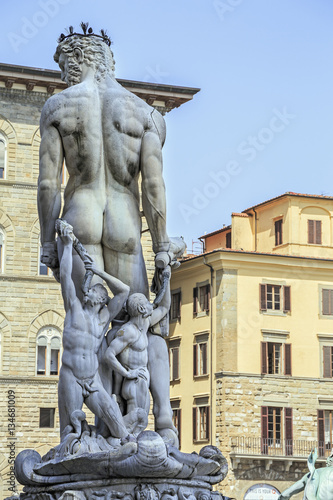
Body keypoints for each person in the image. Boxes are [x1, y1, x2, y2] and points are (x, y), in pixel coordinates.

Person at [37, 25, 175, 440]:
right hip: (125, 223)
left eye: (62, 67)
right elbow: (153, 187)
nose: (62, 75)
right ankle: (162, 424)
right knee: (142, 325)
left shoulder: (59, 106)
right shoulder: (146, 114)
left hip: (79, 220)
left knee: (89, 325)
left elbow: (47, 184)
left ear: (73, 61)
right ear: (108, 60)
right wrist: (163, 247)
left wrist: (48, 239)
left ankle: (88, 431)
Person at [57, 222, 132, 442]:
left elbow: (124, 291)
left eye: (92, 290)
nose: (87, 291)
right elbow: (65, 276)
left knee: (118, 424)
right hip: (71, 376)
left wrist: (99, 271)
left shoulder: (103, 319)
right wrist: (68, 245)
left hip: (92, 379)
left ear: (100, 299)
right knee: (71, 429)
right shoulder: (74, 308)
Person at [104, 267, 171, 435]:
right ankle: (119, 440)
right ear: (141, 309)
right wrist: (127, 374)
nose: (150, 305)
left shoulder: (144, 325)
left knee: (140, 422)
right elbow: (109, 355)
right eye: (147, 304)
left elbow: (164, 307)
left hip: (139, 382)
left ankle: (122, 441)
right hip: (134, 384)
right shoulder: (129, 331)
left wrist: (166, 280)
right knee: (137, 422)